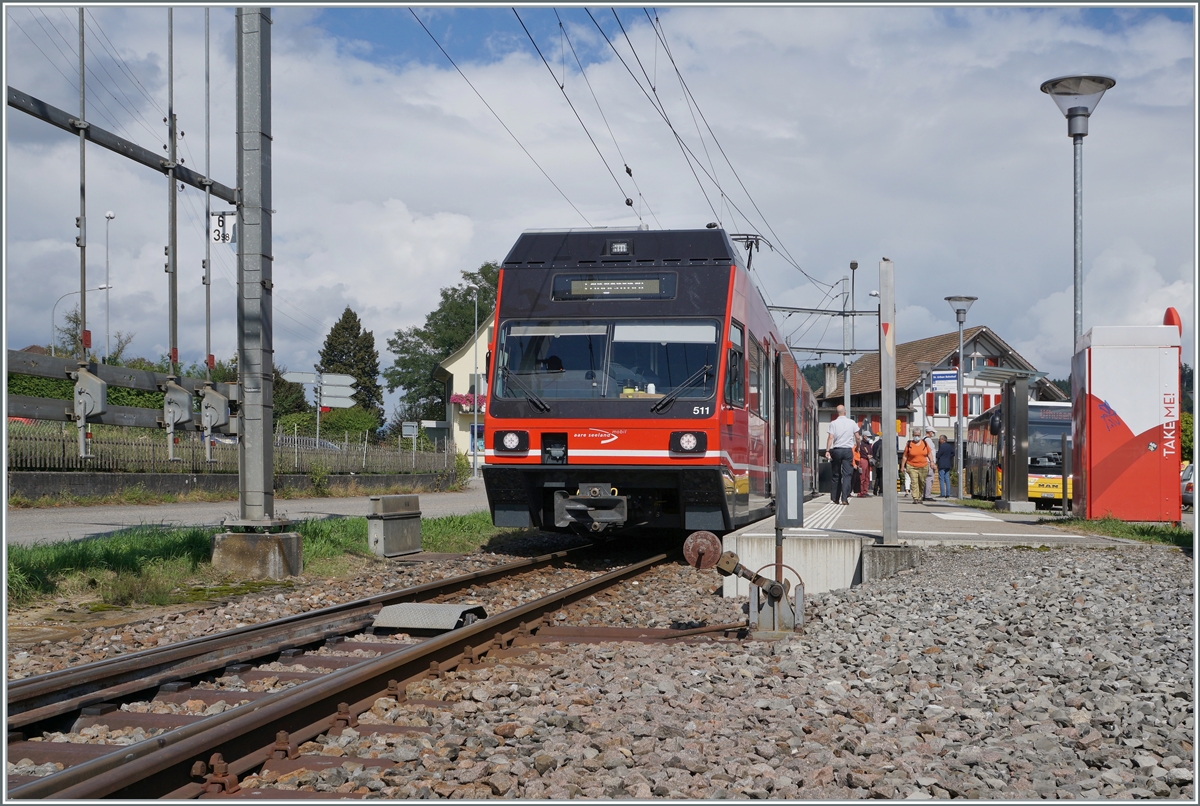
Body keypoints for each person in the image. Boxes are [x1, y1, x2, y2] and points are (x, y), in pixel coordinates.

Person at [824, 405, 859, 506]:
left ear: (837, 412)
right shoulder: (852, 422)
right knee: (847, 475)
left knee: (836, 474)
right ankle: (844, 498)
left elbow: (830, 437)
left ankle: (835, 498)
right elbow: (857, 437)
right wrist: (858, 446)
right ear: (845, 412)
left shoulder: (833, 423)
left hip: (837, 450)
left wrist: (827, 450)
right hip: (848, 450)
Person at [901, 432, 931, 504]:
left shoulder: (925, 443)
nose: (916, 437)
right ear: (912, 435)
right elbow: (905, 456)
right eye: (915, 435)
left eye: (918, 435)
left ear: (920, 435)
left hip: (923, 466)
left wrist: (932, 462)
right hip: (911, 466)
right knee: (914, 482)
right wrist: (902, 466)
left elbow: (929, 453)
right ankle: (915, 498)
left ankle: (919, 496)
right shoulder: (909, 444)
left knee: (921, 481)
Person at [924, 428, 938, 499]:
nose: (933, 434)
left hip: (926, 461)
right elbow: (930, 452)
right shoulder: (928, 440)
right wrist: (932, 463)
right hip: (929, 462)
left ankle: (924, 495)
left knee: (925, 479)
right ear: (929, 432)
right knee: (929, 479)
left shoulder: (923, 439)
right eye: (932, 432)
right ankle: (927, 495)